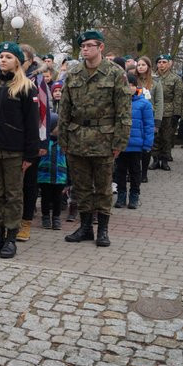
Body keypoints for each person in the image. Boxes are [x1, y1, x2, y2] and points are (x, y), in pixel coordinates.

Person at [60, 30, 131, 248]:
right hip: (77, 137)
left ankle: (103, 230)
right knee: (81, 187)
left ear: (100, 47)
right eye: (82, 46)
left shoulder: (115, 73)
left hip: (104, 139)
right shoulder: (73, 73)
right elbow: (65, 108)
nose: (85, 49)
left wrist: (120, 141)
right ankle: (85, 228)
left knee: (103, 187)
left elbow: (124, 110)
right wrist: (63, 139)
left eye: (89, 45)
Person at [0, 41, 39, 258]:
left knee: (12, 195)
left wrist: (30, 154)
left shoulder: (26, 87)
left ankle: (11, 238)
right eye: (1, 56)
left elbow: (32, 125)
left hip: (13, 151)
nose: (3, 60)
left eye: (8, 57)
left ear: (17, 61)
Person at [19, 44, 51, 243]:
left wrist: (42, 142)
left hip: (31, 140)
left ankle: (26, 222)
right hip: (9, 139)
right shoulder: (6, 78)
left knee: (29, 183)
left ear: (30, 61)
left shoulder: (37, 81)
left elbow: (44, 113)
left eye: (21, 58)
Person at [114, 73, 154, 209]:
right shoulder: (117, 103)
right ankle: (121, 195)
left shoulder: (144, 104)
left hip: (136, 145)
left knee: (135, 172)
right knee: (120, 171)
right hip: (121, 145)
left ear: (135, 86)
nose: (128, 88)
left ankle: (134, 195)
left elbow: (149, 125)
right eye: (126, 85)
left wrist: (148, 143)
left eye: (131, 85)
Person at [149, 54, 183, 171]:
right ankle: (155, 159)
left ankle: (164, 160)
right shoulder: (152, 77)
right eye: (159, 62)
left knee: (166, 137)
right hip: (154, 110)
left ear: (169, 64)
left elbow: (178, 97)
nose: (161, 65)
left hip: (169, 111)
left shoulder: (176, 79)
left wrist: (177, 114)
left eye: (164, 62)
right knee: (155, 137)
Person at [135, 56, 163, 180]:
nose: (141, 67)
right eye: (139, 65)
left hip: (148, 117)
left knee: (147, 146)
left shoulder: (156, 82)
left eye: (143, 65)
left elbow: (159, 102)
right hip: (135, 117)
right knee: (135, 145)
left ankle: (144, 173)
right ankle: (134, 171)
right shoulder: (132, 81)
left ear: (148, 67)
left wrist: (157, 122)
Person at [38, 113, 67, 229]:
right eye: (58, 126)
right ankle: (45, 217)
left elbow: (68, 162)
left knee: (57, 198)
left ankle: (56, 218)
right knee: (45, 197)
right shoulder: (43, 142)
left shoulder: (63, 144)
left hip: (60, 177)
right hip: (44, 176)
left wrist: (68, 180)